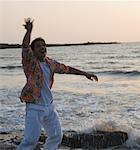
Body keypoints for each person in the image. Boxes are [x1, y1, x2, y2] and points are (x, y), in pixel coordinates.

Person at [17, 18, 98, 150]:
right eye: (38, 46)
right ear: (33, 51)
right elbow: (25, 47)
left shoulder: (51, 64)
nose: (43, 47)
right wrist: (29, 31)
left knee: (56, 136)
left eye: (44, 45)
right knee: (30, 140)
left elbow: (67, 69)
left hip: (49, 107)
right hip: (34, 107)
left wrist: (85, 73)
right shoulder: (30, 63)